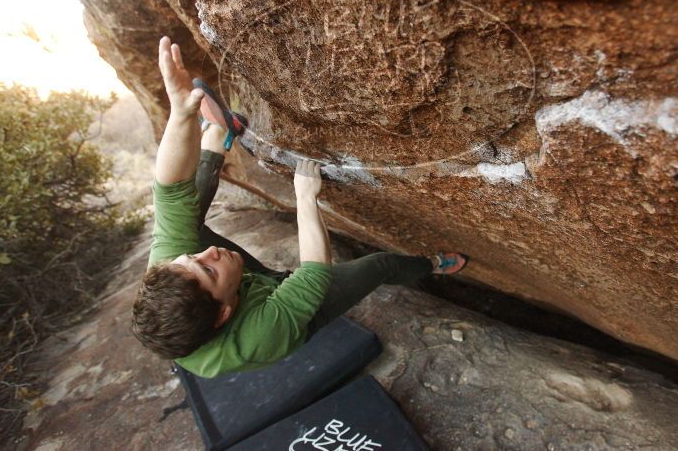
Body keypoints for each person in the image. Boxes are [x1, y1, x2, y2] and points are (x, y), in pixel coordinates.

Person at [131, 36, 469, 378]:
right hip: (285, 309)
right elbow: (313, 273)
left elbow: (171, 190)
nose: (210, 254)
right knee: (379, 266)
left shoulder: (171, 270)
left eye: (191, 258)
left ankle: (219, 132)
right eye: (209, 271)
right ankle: (430, 264)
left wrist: (180, 113)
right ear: (223, 314)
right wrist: (306, 198)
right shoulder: (257, 337)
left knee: (190, 224)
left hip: (237, 288)